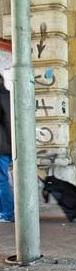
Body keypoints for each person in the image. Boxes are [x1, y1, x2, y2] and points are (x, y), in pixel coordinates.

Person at [0, 74, 14, 223]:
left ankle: (7, 213)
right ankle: (4, 211)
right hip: (7, 146)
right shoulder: (8, 96)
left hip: (2, 146)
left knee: (2, 181)